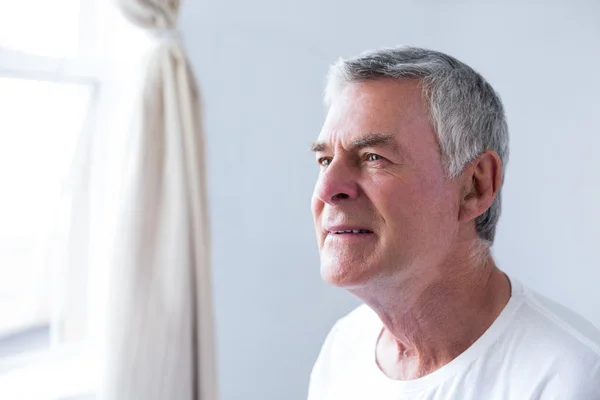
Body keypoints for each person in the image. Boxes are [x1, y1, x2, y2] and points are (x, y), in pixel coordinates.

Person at [308, 46, 600, 399]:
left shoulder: (570, 378)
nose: (327, 189)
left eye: (373, 157)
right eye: (325, 161)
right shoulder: (344, 350)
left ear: (475, 186)